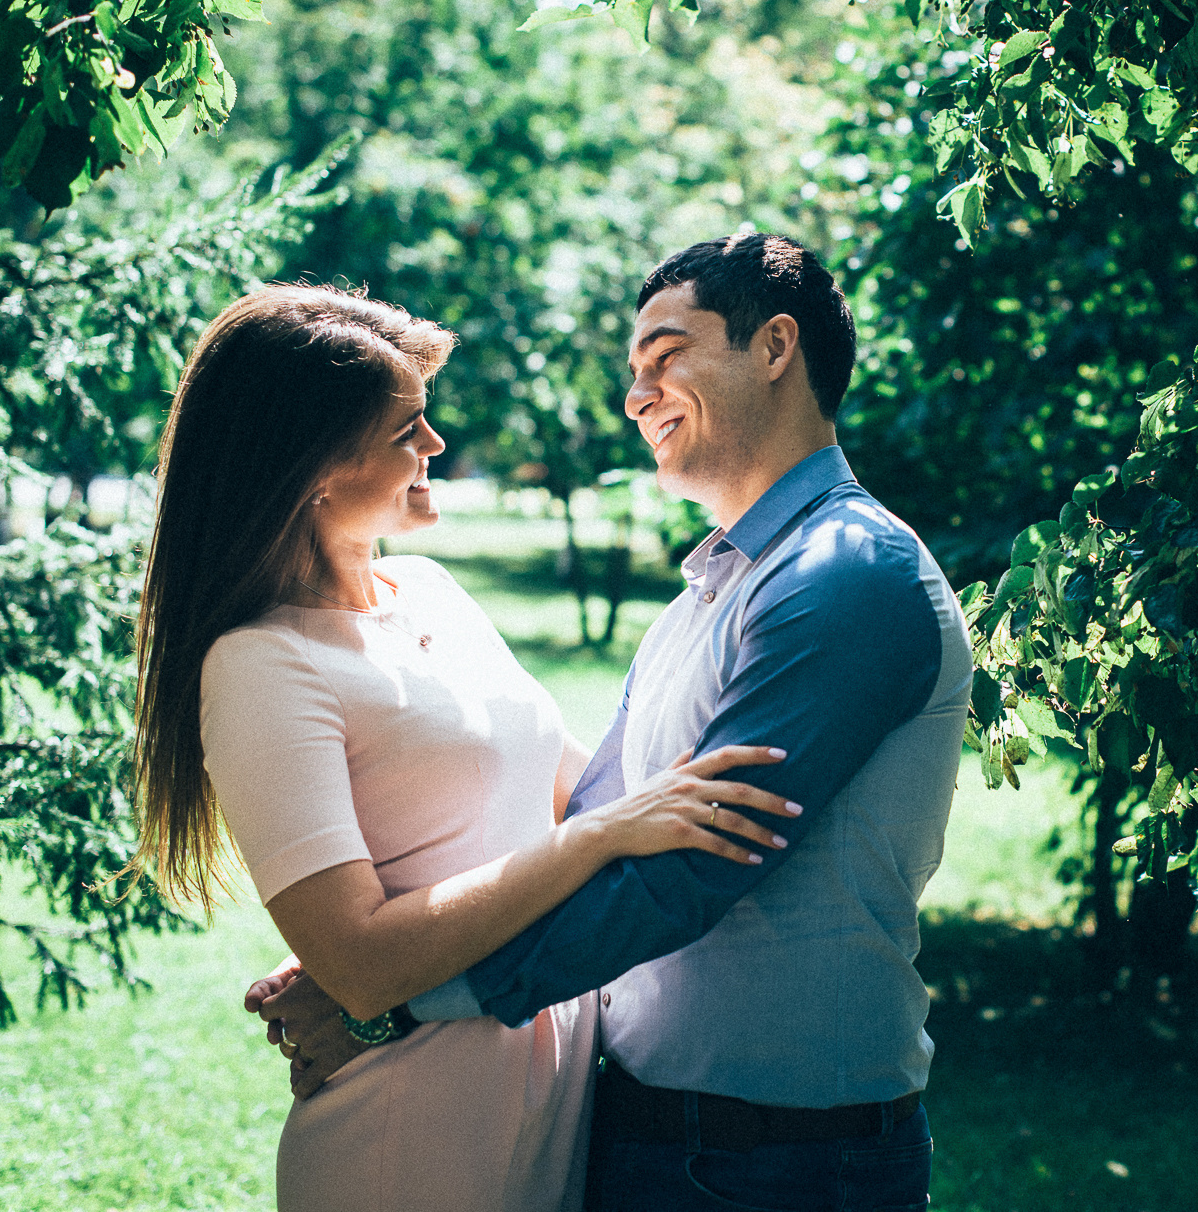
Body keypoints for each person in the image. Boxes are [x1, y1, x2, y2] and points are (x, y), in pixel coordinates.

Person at [265, 235, 972, 1212]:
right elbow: (592, 826)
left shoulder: (848, 576)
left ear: (774, 347)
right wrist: (382, 953)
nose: (636, 396)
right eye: (632, 371)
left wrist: (395, 1005)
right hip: (637, 1128)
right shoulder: (707, 595)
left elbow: (692, 868)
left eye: (666, 355)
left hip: (789, 1166)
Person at [129, 284, 804, 1212]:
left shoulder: (433, 591)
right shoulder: (261, 665)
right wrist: (589, 844)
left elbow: (591, 789)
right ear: (312, 465)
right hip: (408, 1129)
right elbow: (361, 961)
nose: (435, 446)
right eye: (408, 428)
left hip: (548, 1095)